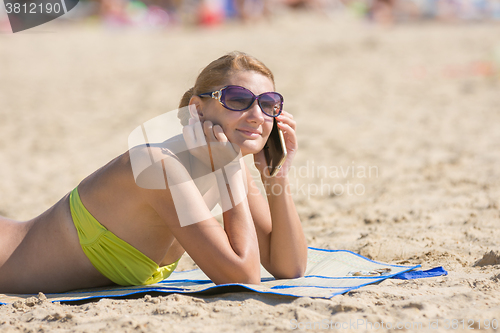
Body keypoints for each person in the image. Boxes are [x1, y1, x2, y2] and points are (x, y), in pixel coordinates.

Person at [0, 51, 308, 294]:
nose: (257, 116)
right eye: (238, 99)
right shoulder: (161, 167)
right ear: (197, 109)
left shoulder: (231, 162)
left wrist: (275, 177)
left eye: (269, 104)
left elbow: (289, 267)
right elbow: (243, 276)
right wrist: (228, 169)